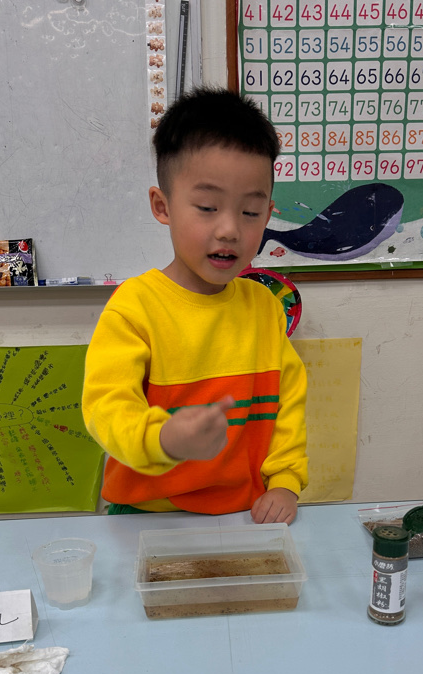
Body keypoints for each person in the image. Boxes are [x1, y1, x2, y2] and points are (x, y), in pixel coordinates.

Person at [82, 87, 308, 523]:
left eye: (250, 213)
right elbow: (105, 408)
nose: (229, 230)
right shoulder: (135, 307)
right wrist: (163, 439)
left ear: (267, 214)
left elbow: (289, 402)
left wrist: (285, 480)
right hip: (145, 514)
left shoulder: (263, 308)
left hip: (243, 515)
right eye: (207, 207)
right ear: (162, 206)